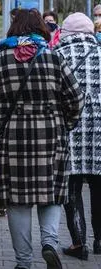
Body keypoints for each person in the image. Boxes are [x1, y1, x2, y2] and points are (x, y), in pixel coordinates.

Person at [0, 9, 85, 269]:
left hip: (12, 141)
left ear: (13, 28)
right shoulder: (54, 58)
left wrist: (1, 117)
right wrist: (64, 125)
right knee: (51, 194)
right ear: (40, 28)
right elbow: (77, 99)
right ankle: (49, 243)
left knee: (17, 200)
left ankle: (24, 262)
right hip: (51, 138)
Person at [54, 12, 101, 261]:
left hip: (69, 130)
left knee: (71, 187)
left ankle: (79, 243)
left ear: (67, 33)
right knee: (98, 186)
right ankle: (100, 241)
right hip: (100, 134)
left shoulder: (58, 56)